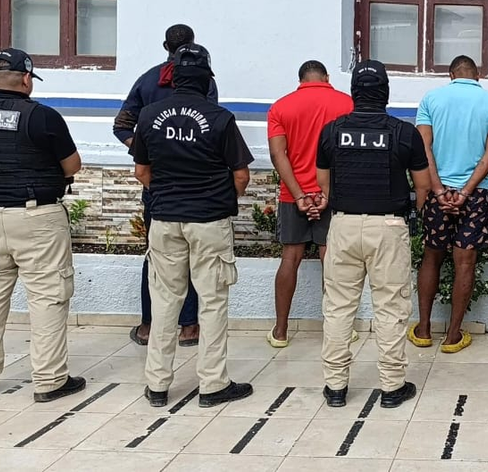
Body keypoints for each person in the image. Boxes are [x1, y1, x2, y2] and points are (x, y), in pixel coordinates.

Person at [0, 48, 86, 403]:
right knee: (48, 297)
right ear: (27, 79)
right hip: (36, 218)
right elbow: (72, 165)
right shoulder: (42, 117)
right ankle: (49, 381)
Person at [132, 44, 255, 408]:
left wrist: (169, 195)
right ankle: (213, 385)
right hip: (209, 221)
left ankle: (156, 385)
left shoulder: (150, 116)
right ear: (206, 80)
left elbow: (142, 172)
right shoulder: (220, 118)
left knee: (164, 301)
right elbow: (242, 175)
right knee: (212, 302)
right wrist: (217, 197)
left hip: (165, 219)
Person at [314, 60, 431, 410]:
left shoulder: (332, 131)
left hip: (343, 224)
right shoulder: (403, 132)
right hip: (388, 227)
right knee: (391, 308)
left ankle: (335, 386)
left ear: (353, 93)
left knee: (337, 308)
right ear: (386, 93)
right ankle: (392, 386)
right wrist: (414, 214)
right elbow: (422, 186)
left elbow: (323, 181)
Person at [114, 24, 217, 348]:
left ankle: (148, 326)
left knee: (157, 256)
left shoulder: (147, 80)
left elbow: (121, 125)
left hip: (158, 183)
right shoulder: (205, 81)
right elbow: (212, 124)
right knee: (194, 257)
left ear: (165, 46)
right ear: (194, 45)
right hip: (197, 185)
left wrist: (145, 150)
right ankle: (189, 327)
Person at [409, 56, 488, 354]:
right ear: (477, 76)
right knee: (465, 262)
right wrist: (465, 191)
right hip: (475, 194)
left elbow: (422, 147)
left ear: (451, 75)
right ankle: (452, 336)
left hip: (438, 194)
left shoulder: (431, 99)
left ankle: (424, 330)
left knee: (431, 257)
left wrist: (438, 190)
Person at [265, 60, 354, 348]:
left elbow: (279, 156)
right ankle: (338, 330)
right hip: (334, 193)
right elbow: (348, 154)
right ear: (327, 77)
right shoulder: (346, 104)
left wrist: (300, 195)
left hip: (294, 196)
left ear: (300, 79)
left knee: (290, 258)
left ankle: (280, 331)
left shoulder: (281, 107)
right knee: (332, 259)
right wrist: (325, 193)